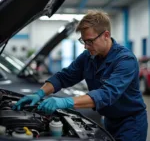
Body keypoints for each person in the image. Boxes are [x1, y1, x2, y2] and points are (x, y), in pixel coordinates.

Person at [13, 10, 148, 141]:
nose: (86, 46)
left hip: (131, 123)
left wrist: (66, 102)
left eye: (89, 41)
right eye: (83, 41)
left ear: (106, 35)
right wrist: (39, 93)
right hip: (109, 121)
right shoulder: (88, 57)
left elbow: (107, 94)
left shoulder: (125, 60)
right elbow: (64, 77)